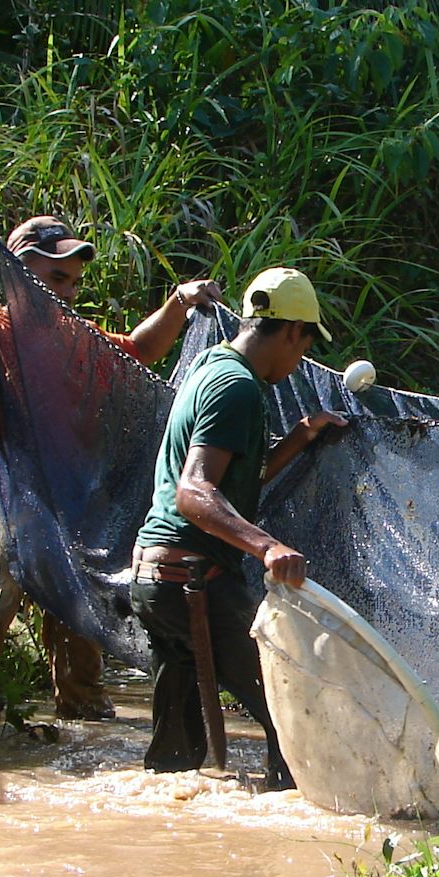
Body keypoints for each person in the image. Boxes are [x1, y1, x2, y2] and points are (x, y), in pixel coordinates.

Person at [0, 214, 222, 733]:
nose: (68, 293)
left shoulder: (78, 340)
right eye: (57, 279)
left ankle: (82, 752)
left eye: (73, 281)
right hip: (2, 510)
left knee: (83, 647)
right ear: (21, 272)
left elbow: (137, 353)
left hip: (72, 519)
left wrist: (180, 303)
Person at [130, 267, 348, 787]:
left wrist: (300, 436)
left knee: (175, 753)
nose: (298, 365)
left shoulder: (210, 366)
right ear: (294, 331)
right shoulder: (239, 389)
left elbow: (233, 480)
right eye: (304, 347)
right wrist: (267, 546)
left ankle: (170, 834)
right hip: (192, 581)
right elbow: (194, 492)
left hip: (156, 577)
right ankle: (299, 826)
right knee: (289, 711)